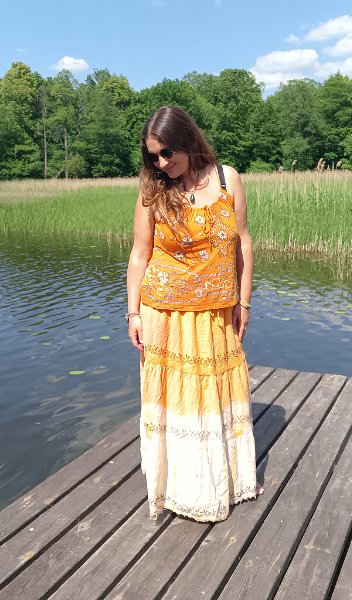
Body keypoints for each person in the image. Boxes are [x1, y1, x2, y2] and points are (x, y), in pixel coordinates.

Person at [125, 105, 259, 522]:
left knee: (216, 395)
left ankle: (223, 481)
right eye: (153, 157)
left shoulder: (227, 179)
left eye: (167, 153)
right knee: (178, 400)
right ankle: (183, 488)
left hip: (216, 312)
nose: (162, 164)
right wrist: (133, 313)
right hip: (164, 314)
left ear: (188, 141)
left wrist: (244, 301)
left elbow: (243, 243)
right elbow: (139, 254)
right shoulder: (153, 192)